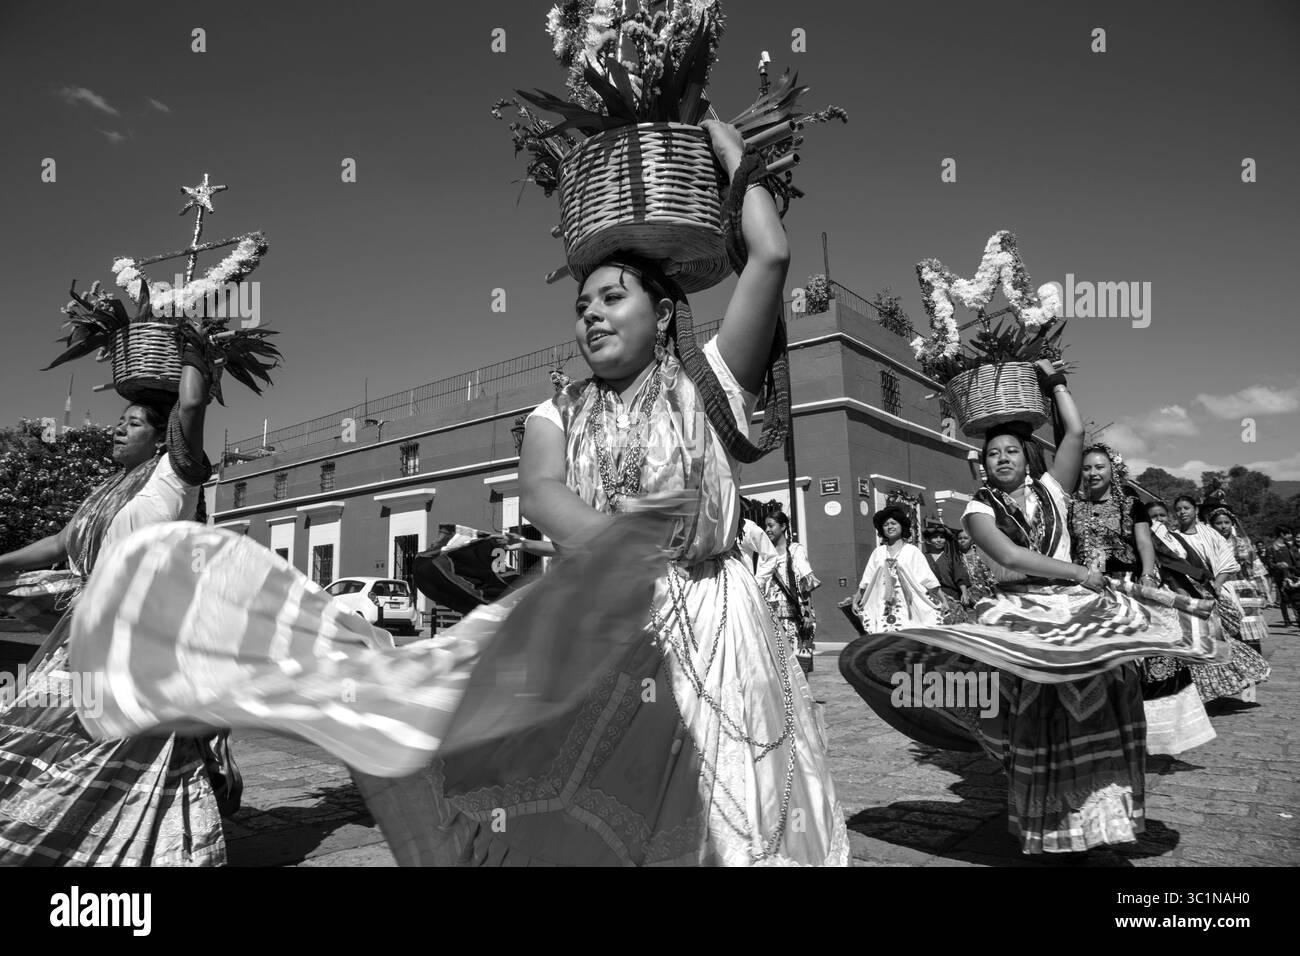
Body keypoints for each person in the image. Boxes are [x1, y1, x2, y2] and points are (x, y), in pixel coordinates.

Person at [64, 121, 849, 866]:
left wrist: (729, 152)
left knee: (730, 800)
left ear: (665, 311)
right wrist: (613, 556)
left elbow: (770, 257)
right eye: (581, 307)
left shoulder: (707, 383)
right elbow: (541, 493)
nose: (591, 318)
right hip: (609, 622)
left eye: (612, 299)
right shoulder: (559, 411)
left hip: (715, 622)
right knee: (602, 795)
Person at [840, 367, 1226, 855]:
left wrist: (1056, 383)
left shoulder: (1052, 489)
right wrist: (1079, 573)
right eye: (993, 453)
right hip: (1022, 611)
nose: (1002, 458)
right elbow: (1010, 558)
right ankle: (1048, 819)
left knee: (1110, 688)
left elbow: (1077, 434)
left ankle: (1101, 815)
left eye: (1011, 451)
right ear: (983, 465)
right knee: (1037, 707)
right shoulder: (978, 511)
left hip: (1079, 609)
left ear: (1028, 457)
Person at [0, 346, 228, 866]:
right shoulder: (108, 490)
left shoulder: (175, 473)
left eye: (131, 423)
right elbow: (62, 543)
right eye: (118, 423)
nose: (117, 430)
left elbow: (191, 408)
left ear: (161, 435)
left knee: (90, 735)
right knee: (39, 727)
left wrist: (196, 349)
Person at [1069, 456, 1215, 756]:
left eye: (1100, 467)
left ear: (1113, 471)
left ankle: (1153, 737)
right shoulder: (1072, 505)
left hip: (1128, 586)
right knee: (1096, 662)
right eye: (1087, 467)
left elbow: (1144, 543)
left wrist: (1147, 577)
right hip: (1088, 590)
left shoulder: (1131, 504)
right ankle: (1100, 734)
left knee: (1149, 661)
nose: (1093, 472)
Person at [1157, 496, 1270, 704]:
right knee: (1203, 642)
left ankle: (1247, 685)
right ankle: (1210, 689)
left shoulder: (1210, 534)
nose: (1183, 512)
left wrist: (1216, 586)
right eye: (1179, 509)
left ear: (1195, 510)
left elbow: (1228, 562)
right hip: (1191, 595)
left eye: (1187, 508)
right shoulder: (1172, 538)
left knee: (1238, 637)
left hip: (1222, 590)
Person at [852, 505, 942, 632]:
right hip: (882, 604)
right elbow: (867, 579)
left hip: (909, 605)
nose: (890, 527)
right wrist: (856, 599)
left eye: (893, 523)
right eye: (886, 524)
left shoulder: (912, 551)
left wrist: (943, 599)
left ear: (901, 526)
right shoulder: (878, 552)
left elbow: (927, 578)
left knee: (908, 635)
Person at [762, 510, 818, 672]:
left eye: (771, 525)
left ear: (783, 526)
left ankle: (803, 697)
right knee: (778, 664)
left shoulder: (795, 550)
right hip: (772, 614)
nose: (767, 530)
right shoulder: (765, 554)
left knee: (800, 663)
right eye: (766, 526)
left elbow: (805, 581)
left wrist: (807, 613)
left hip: (798, 615)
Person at [1208, 506, 1270, 652]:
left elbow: (1256, 568)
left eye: (1226, 522)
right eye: (1218, 523)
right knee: (1227, 627)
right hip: (1221, 589)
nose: (1223, 526)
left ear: (1232, 524)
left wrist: (1263, 591)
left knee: (1249, 626)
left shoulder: (1244, 544)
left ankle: (1255, 659)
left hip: (1245, 590)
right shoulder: (1209, 544)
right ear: (1212, 525)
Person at [920, 520, 970, 623]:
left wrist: (964, 593)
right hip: (929, 598)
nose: (939, 540)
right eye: (935, 537)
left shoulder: (951, 557)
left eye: (942, 537)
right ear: (929, 540)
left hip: (952, 597)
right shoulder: (922, 558)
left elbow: (960, 576)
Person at [955, 527, 996, 603]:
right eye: (960, 538)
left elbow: (991, 573)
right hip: (968, 596)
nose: (962, 540)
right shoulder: (956, 557)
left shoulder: (982, 554)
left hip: (988, 592)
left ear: (972, 540)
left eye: (966, 538)